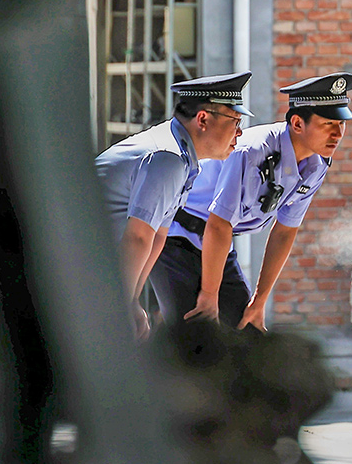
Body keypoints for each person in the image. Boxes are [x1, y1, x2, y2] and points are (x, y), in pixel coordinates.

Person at [147, 72, 352, 330]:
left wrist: (259, 301)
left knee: (247, 332)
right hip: (175, 238)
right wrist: (210, 295)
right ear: (297, 123)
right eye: (328, 124)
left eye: (342, 124)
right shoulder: (252, 151)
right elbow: (218, 224)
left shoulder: (317, 163)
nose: (338, 134)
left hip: (217, 245)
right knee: (191, 335)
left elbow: (284, 230)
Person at [95, 72, 254, 339]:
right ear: (202, 119)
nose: (240, 132)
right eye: (235, 121)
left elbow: (158, 236)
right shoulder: (168, 158)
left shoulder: (182, 156)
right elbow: (138, 238)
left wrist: (132, 300)